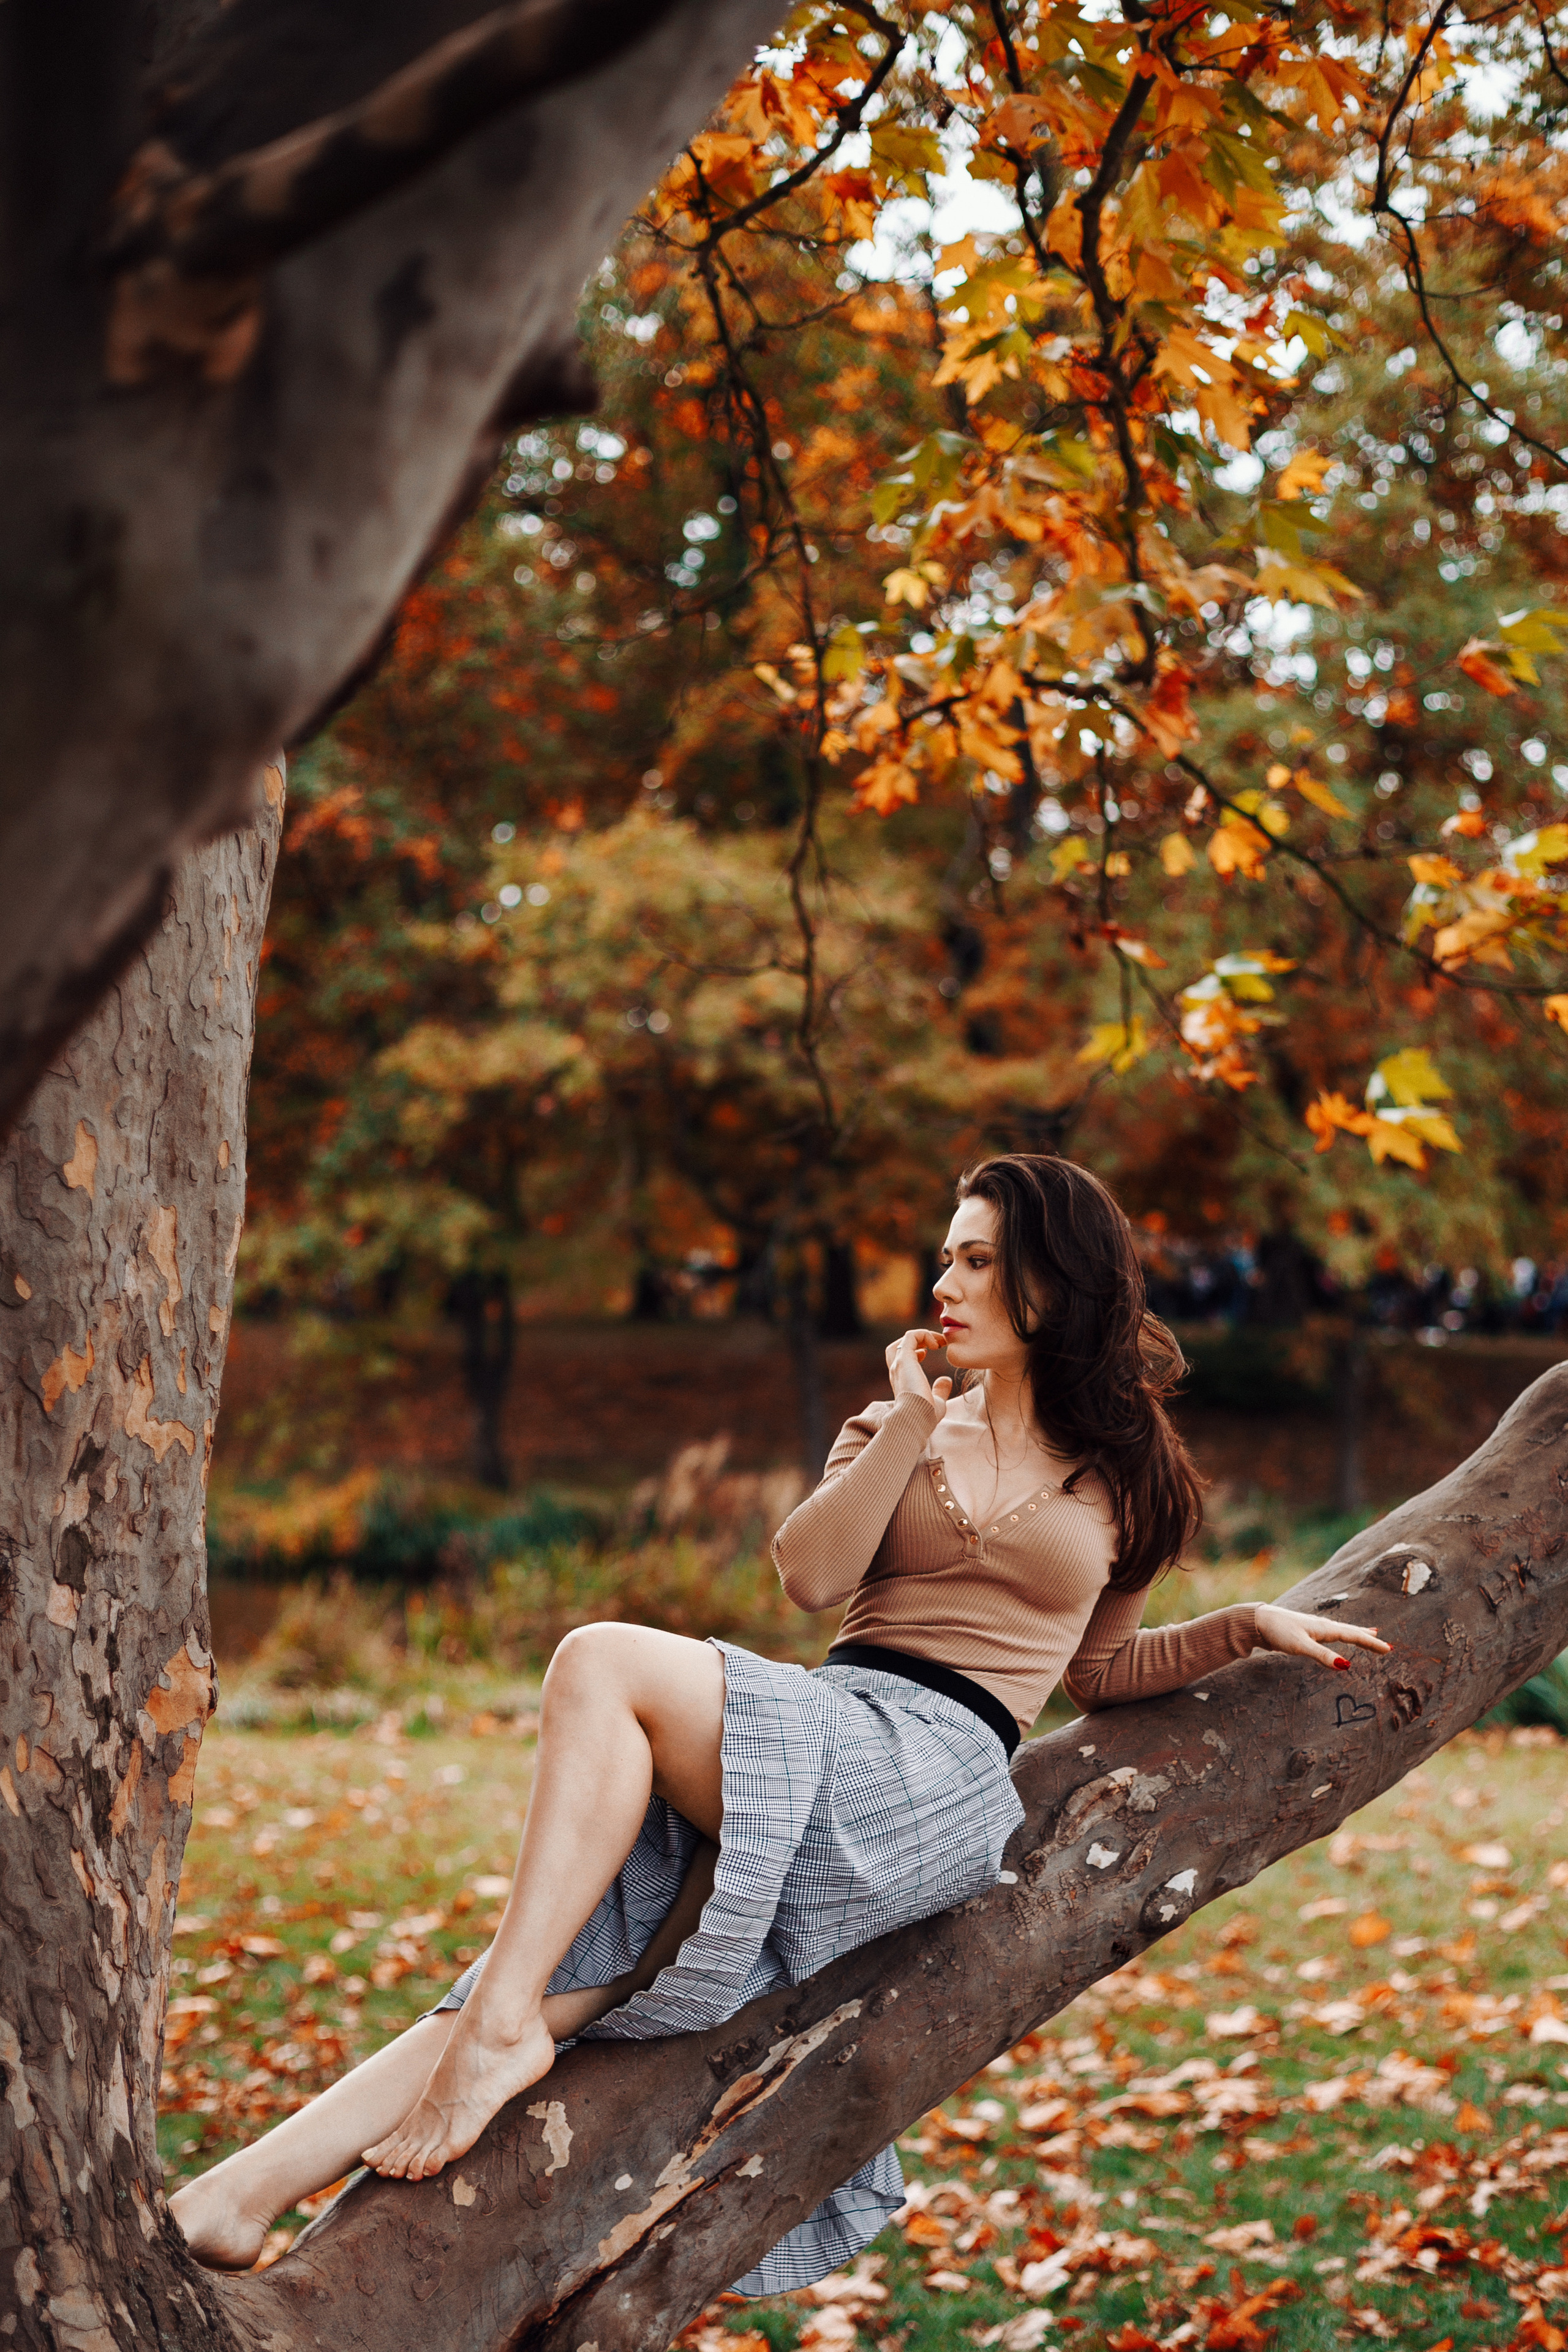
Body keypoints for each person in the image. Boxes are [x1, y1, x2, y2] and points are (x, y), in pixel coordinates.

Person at [172, 1155, 1388, 2289]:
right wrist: (907, 1425)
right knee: (562, 1974)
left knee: (597, 1662)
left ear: (1054, 1283)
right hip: (825, 1727)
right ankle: (234, 2198)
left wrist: (1237, 1626)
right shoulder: (894, 1427)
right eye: (947, 1259)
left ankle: (492, 2037)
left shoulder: (1130, 1480)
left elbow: (1099, 1672)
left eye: (975, 1260)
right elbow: (809, 1579)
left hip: (939, 1777)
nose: (944, 1284)